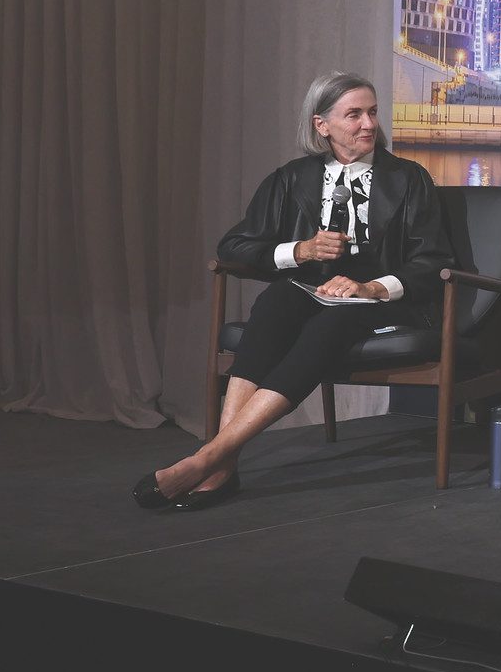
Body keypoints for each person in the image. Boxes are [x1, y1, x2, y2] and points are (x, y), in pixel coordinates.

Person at [133, 74, 452, 511]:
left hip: (382, 302)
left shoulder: (408, 179)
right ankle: (221, 464)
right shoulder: (292, 178)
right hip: (311, 291)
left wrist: (370, 286)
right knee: (277, 300)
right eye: (354, 114)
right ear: (322, 125)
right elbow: (233, 246)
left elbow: (432, 260)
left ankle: (208, 459)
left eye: (372, 112)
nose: (368, 124)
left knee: (332, 321)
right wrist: (300, 250)